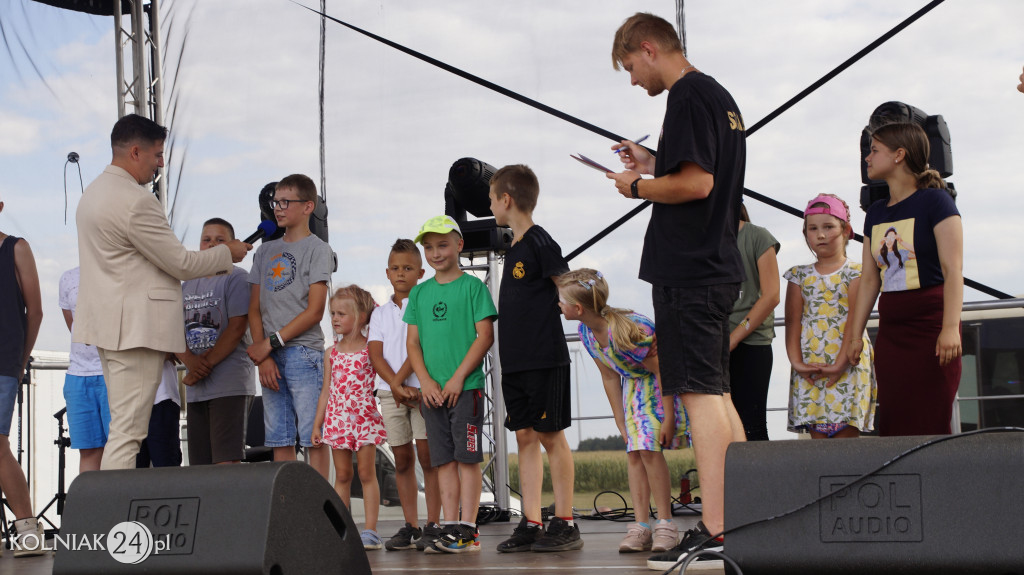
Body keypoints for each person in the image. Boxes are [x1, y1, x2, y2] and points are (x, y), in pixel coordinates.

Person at [607, 13, 747, 570]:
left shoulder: (686, 96)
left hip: (691, 269)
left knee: (700, 397)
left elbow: (697, 184)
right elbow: (695, 171)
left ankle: (716, 529)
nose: (635, 81)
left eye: (631, 67)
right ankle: (738, 516)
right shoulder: (718, 97)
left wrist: (638, 185)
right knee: (718, 396)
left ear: (648, 48)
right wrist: (654, 164)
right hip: (711, 264)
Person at [74, 113, 250, 470]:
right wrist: (226, 254)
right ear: (135, 152)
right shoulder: (135, 201)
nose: (161, 163)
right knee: (128, 433)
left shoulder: (92, 193)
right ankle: (116, 522)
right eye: (157, 154)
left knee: (122, 428)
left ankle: (115, 517)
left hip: (111, 327)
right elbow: (181, 264)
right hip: (136, 330)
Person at [556, 268, 688, 554]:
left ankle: (665, 524)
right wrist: (619, 419)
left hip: (657, 387)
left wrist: (667, 417)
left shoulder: (629, 330)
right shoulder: (587, 333)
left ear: (578, 308)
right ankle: (641, 526)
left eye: (561, 301)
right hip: (632, 390)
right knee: (634, 453)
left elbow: (661, 370)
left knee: (649, 451)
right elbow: (609, 376)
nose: (559, 305)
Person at [846, 122, 963, 436]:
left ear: (899, 155)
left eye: (874, 150)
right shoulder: (876, 213)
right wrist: (855, 334)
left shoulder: (936, 201)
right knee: (895, 421)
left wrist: (950, 327)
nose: (867, 158)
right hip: (892, 329)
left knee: (930, 423)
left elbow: (953, 270)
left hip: (932, 325)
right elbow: (870, 279)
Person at [487, 165, 581, 553]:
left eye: (492, 199)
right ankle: (531, 520)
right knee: (524, 436)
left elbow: (569, 285)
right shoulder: (514, 247)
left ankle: (566, 520)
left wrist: (575, 306)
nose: (491, 206)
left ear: (506, 200)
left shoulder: (540, 241)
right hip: (517, 362)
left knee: (550, 436)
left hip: (544, 358)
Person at [404, 215, 497, 554]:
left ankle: (469, 530)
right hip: (431, 394)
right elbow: (413, 344)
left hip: (466, 389)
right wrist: (425, 381)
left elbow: (484, 336)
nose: (435, 253)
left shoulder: (473, 287)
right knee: (442, 461)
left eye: (442, 245)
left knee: (467, 458)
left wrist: (458, 377)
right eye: (428, 247)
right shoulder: (420, 293)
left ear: (459, 245)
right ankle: (449, 525)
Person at [247, 174, 333, 476]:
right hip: (270, 355)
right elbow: (254, 309)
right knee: (279, 438)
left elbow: (315, 311)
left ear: (308, 206)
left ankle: (320, 512)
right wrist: (265, 357)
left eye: (285, 202)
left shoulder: (317, 248)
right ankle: (289, 509)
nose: (278, 208)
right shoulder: (264, 252)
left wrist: (270, 344)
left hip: (303, 353)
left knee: (314, 437)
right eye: (275, 202)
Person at [367, 239, 443, 552]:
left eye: (408, 268)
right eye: (396, 268)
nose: (401, 273)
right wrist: (395, 387)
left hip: (421, 392)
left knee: (428, 458)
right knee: (401, 460)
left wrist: (404, 386)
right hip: (391, 395)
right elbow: (375, 355)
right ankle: (411, 524)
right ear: (387, 273)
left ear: (420, 272)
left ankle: (433, 523)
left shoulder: (424, 306)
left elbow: (419, 348)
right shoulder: (381, 314)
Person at [784, 194, 876, 438]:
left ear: (846, 231)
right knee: (818, 444)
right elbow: (792, 323)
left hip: (848, 362)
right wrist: (797, 364)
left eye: (828, 227)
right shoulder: (798, 276)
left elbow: (855, 321)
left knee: (845, 442)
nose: (820, 235)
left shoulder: (857, 273)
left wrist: (839, 365)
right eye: (812, 229)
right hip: (811, 366)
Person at [312, 285, 387, 550]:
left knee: (367, 473)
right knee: (342, 475)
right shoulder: (331, 353)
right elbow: (325, 392)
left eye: (341, 313)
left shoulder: (370, 349)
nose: (334, 318)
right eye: (332, 313)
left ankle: (371, 531)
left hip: (364, 418)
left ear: (360, 316)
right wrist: (317, 424)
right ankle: (343, 528)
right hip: (338, 419)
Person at [177, 218, 255, 465]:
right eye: (206, 239)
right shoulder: (185, 284)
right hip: (196, 390)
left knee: (226, 464)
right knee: (201, 467)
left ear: (231, 245)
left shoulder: (238, 278)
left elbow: (236, 328)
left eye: (220, 240)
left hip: (229, 384)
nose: (212, 244)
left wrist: (203, 366)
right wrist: (189, 360)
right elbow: (173, 328)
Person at [0, 194, 46, 556]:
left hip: (3, 362)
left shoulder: (15, 248)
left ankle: (28, 531)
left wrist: (21, 359)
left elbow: (36, 310)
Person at [728, 204, 780, 441]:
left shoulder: (757, 236)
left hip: (752, 342)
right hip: (710, 345)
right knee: (720, 428)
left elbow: (771, 295)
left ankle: (759, 478)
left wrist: (733, 338)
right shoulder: (697, 239)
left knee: (752, 426)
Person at [58, 266, 111, 473]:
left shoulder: (119, 270)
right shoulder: (68, 277)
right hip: (78, 375)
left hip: (112, 372)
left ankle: (120, 504)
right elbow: (73, 325)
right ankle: (94, 504)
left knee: (117, 449)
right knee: (88, 451)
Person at [136, 358, 183, 467]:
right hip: (128, 402)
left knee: (166, 466)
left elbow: (173, 347)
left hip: (161, 397)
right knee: (132, 471)